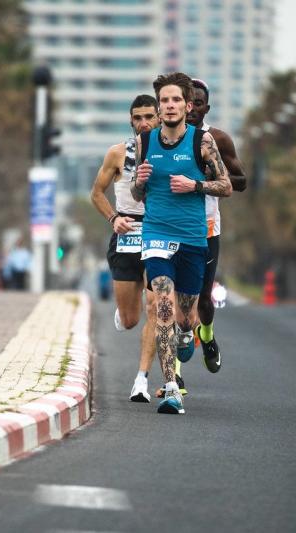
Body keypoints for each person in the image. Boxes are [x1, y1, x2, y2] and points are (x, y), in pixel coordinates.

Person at [132, 72, 231, 414]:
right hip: (156, 233)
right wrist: (139, 182)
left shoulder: (202, 141)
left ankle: (188, 333)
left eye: (176, 100)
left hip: (192, 236)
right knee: (163, 306)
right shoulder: (145, 141)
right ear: (159, 107)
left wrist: (195, 186)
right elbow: (137, 192)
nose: (170, 105)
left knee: (186, 316)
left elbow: (226, 185)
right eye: (164, 100)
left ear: (188, 106)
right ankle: (172, 388)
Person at [90, 94, 160, 403]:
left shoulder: (172, 152)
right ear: (131, 121)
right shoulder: (118, 153)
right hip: (127, 232)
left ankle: (141, 380)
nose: (144, 123)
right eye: (138, 118)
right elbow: (96, 193)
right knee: (131, 319)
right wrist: (113, 218)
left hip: (158, 232)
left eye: (149, 117)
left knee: (155, 307)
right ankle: (125, 311)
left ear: (159, 118)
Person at [186, 78, 247, 374]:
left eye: (198, 104)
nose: (191, 109)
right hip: (171, 227)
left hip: (207, 227)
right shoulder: (164, 137)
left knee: (203, 299)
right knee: (171, 301)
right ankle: (175, 378)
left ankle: (207, 336)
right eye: (188, 102)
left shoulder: (218, 139)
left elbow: (242, 181)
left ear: (206, 108)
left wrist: (210, 176)